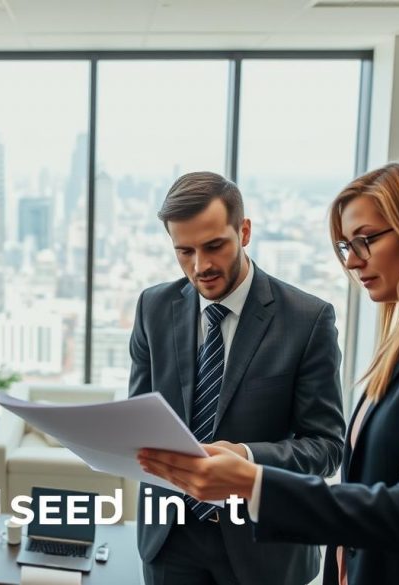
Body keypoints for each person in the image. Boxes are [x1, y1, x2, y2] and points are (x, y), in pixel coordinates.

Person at [139, 158, 399, 585]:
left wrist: (252, 480)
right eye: (348, 246)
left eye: (365, 241)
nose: (351, 262)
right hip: (178, 538)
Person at [130, 172, 346, 585]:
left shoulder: (308, 319)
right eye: (184, 251)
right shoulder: (152, 307)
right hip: (169, 539)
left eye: (214, 246)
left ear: (244, 231)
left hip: (265, 547)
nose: (201, 266)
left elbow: (326, 447)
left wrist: (245, 459)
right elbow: (141, 417)